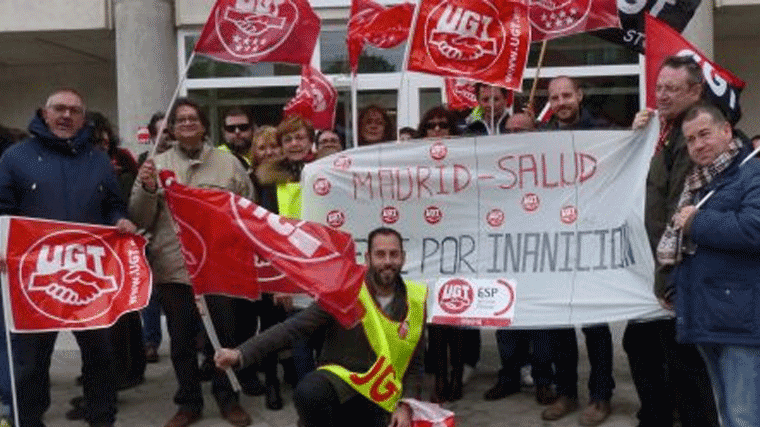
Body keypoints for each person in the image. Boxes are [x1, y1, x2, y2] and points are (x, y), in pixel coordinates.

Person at [0, 88, 138, 427]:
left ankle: (102, 418)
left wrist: (120, 219)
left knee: (100, 356)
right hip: (35, 277)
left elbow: (114, 205)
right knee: (30, 361)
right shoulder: (15, 158)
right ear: (44, 113)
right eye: (59, 109)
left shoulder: (99, 160)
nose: (66, 116)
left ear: (83, 118)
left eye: (74, 111)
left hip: (88, 276)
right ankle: (28, 420)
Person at [215, 227, 426, 427]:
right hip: (340, 384)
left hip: (381, 395)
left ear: (403, 258)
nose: (387, 261)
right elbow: (294, 328)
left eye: (394, 254)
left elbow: (415, 364)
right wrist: (240, 353)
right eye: (380, 255)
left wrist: (406, 405)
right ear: (368, 258)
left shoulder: (415, 302)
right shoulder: (345, 292)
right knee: (309, 392)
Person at [130, 97, 255, 427]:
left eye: (193, 118)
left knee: (225, 337)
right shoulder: (154, 164)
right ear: (171, 128)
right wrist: (145, 188)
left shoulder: (229, 165)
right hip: (174, 268)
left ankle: (228, 399)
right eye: (180, 119)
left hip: (219, 267)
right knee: (182, 341)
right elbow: (139, 216)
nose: (187, 123)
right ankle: (188, 402)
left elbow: (247, 212)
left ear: (203, 125)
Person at [627, 55, 719, 427]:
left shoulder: (690, 137)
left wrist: (667, 279)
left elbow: (676, 208)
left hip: (680, 267)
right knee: (646, 346)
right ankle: (659, 414)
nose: (661, 96)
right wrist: (639, 138)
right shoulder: (665, 130)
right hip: (659, 266)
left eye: (671, 89)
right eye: (659, 88)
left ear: (695, 91)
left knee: (685, 362)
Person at [661, 102, 760, 427]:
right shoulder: (698, 181)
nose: (698, 145)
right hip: (706, 312)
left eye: (704, 134)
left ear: (727, 131)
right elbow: (687, 247)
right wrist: (675, 286)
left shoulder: (751, 173)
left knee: (744, 416)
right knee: (724, 412)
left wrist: (698, 222)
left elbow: (754, 228)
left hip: (740, 319)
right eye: (690, 139)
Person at [538, 76, 615, 426]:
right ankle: (566, 392)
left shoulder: (603, 133)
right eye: (554, 97)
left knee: (596, 327)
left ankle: (600, 396)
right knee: (559, 326)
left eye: (567, 95)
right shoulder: (540, 140)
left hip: (590, 242)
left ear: (580, 96)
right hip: (555, 244)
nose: (561, 101)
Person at [483, 111, 558, 406]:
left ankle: (543, 379)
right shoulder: (494, 168)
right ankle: (509, 376)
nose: (515, 137)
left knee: (540, 325)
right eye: (510, 132)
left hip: (539, 257)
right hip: (504, 257)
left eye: (521, 131)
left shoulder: (547, 166)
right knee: (507, 325)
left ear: (535, 132)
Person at [139, 112, 172, 364]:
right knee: (150, 295)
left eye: (168, 132)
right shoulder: (143, 162)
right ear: (151, 136)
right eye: (159, 133)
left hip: (177, 239)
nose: (164, 138)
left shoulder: (179, 160)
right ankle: (150, 341)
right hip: (150, 240)